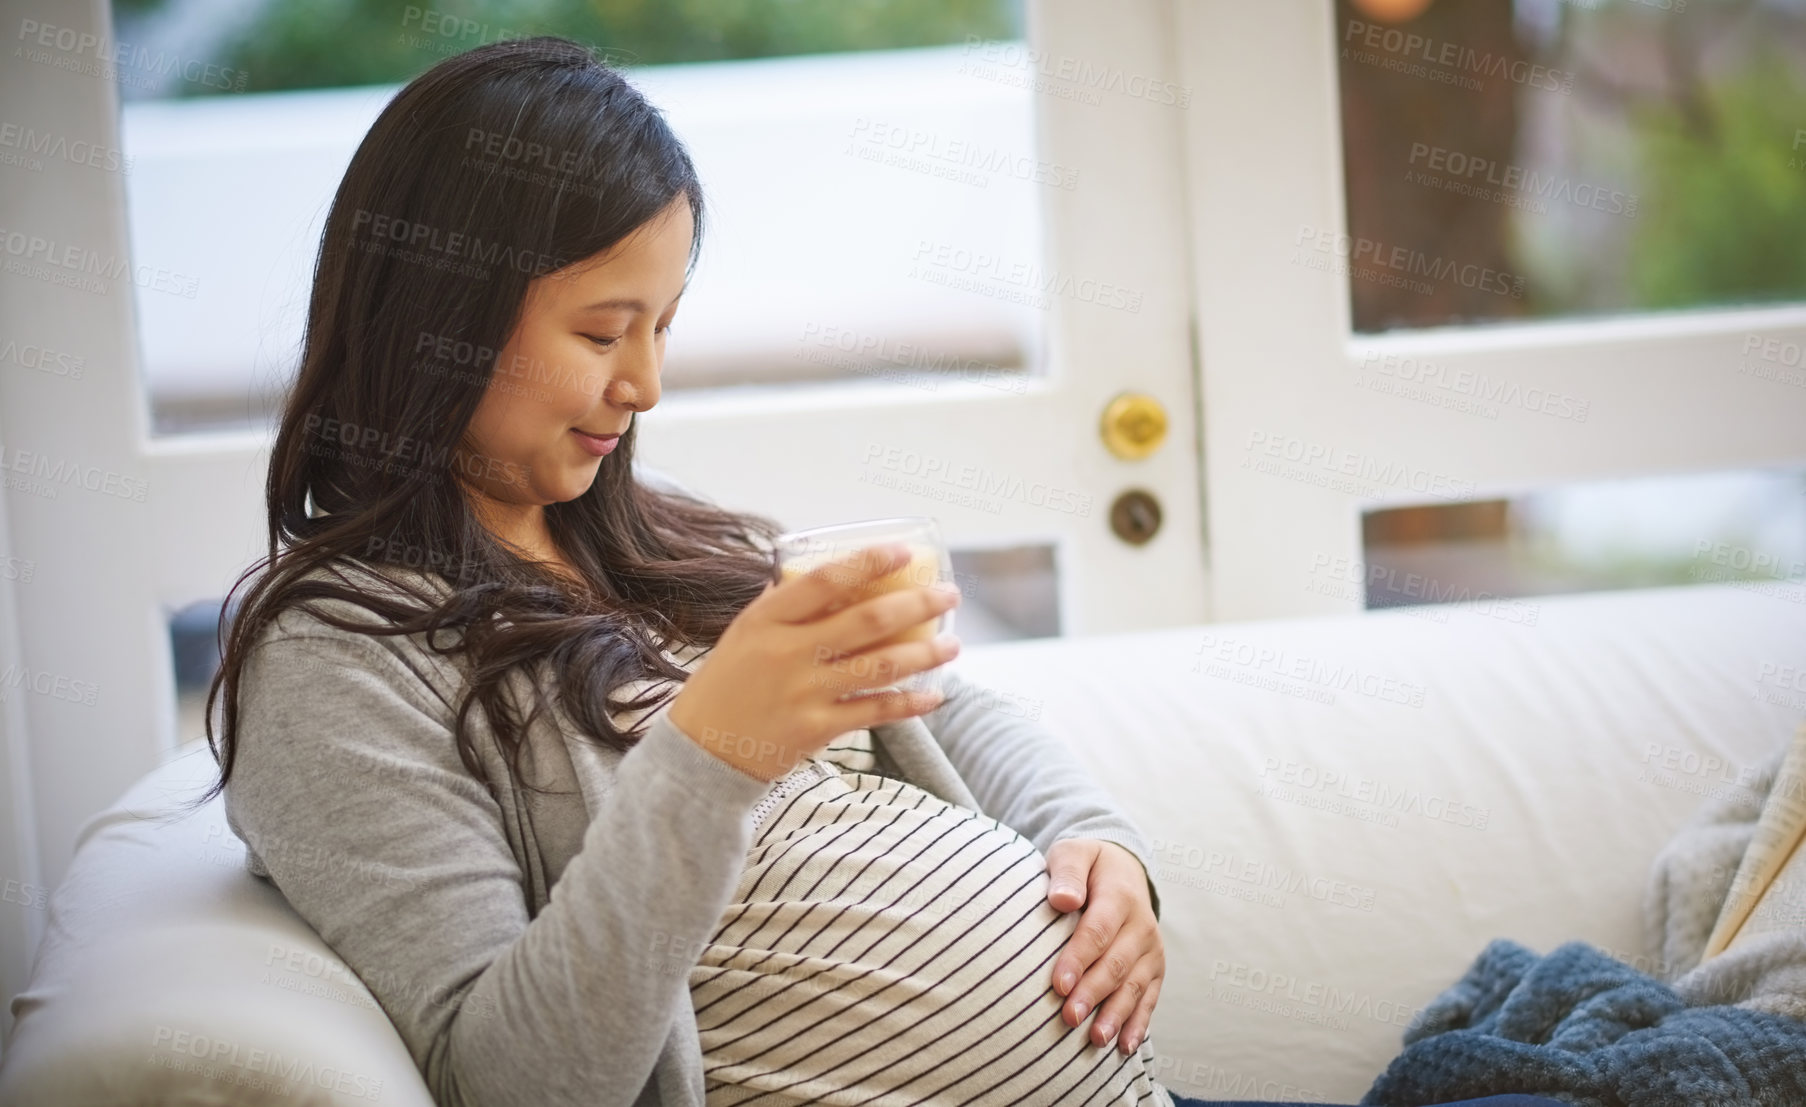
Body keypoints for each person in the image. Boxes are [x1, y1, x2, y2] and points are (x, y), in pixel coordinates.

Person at [194, 35, 1570, 1107]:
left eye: (663, 324)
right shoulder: (335, 661)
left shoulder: (645, 537)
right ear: (440, 311)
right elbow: (510, 1081)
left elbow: (953, 708)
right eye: (606, 328)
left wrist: (1104, 852)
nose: (647, 382)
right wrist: (706, 755)